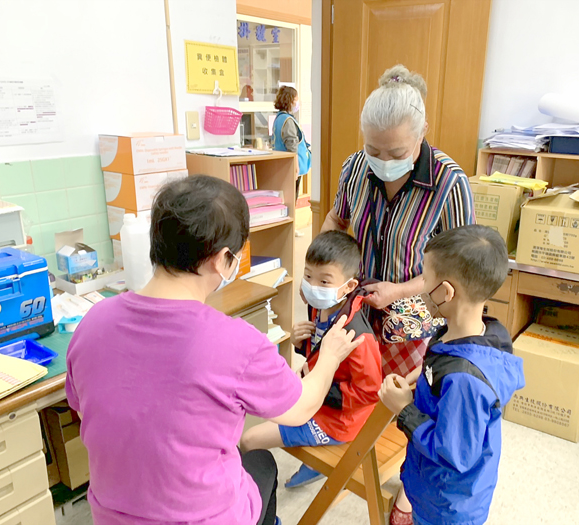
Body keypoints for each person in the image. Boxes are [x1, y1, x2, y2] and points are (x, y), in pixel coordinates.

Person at [65, 175, 363, 525]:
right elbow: (299, 409)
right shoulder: (235, 342)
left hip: (110, 515)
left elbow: (89, 411)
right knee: (261, 463)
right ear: (223, 259)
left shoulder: (92, 322)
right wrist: (328, 355)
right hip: (204, 518)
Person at [321, 64, 476, 523]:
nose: (382, 159)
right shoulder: (354, 167)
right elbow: (336, 219)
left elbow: (458, 269)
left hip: (416, 314)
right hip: (359, 305)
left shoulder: (450, 183)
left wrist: (401, 291)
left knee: (407, 402)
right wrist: (326, 268)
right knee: (351, 381)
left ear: (423, 133)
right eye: (373, 149)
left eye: (396, 151)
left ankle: (408, 487)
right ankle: (343, 443)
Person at [379, 225, 525, 525]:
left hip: (446, 506)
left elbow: (453, 453)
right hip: (433, 488)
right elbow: (444, 368)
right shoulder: (465, 334)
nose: (420, 289)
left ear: (445, 292)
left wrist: (404, 409)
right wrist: (420, 379)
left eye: (425, 280)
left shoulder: (465, 381)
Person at [241, 231, 381, 488]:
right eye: (307, 276)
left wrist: (318, 389)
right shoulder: (321, 308)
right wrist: (300, 343)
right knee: (260, 409)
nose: (312, 286)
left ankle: (254, 505)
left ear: (349, 286)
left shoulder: (358, 336)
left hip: (336, 422)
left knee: (249, 439)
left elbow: (369, 392)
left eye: (324, 282)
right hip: (315, 401)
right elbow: (320, 356)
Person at [272, 85, 311, 196]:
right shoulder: (288, 120)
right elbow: (292, 145)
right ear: (289, 101)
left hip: (282, 165)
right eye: (296, 100)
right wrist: (295, 166)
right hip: (292, 166)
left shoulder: (279, 118)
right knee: (292, 197)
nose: (297, 103)